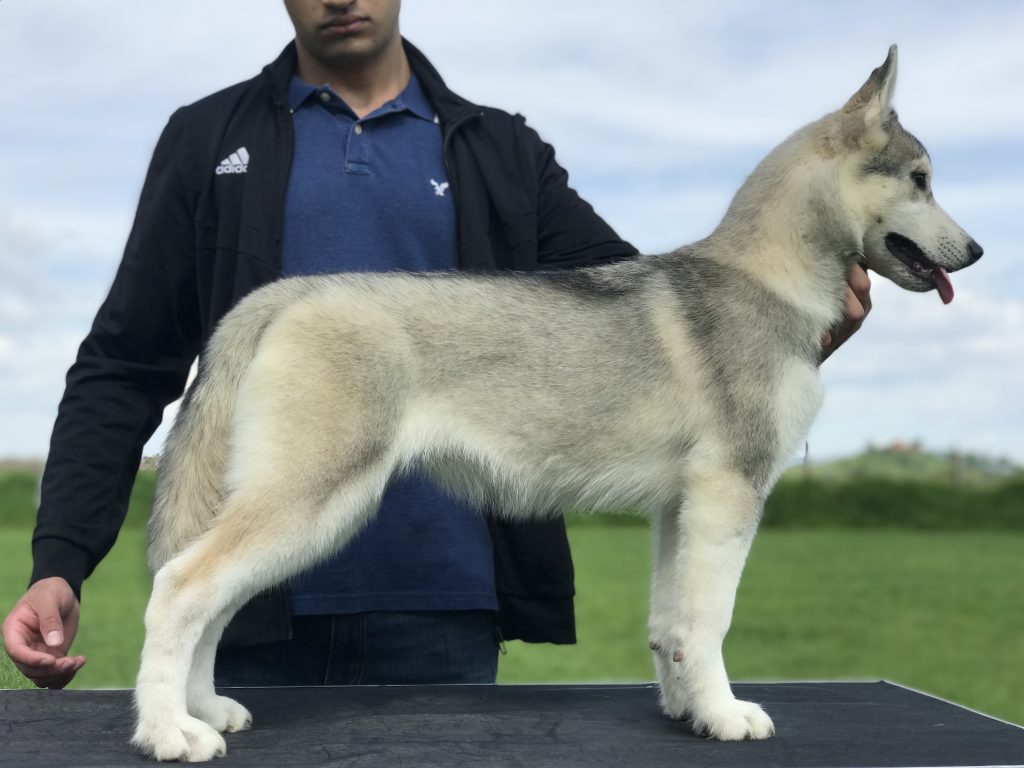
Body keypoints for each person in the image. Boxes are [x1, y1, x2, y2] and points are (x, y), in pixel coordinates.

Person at [2, 0, 871, 690]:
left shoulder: (500, 148)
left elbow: (646, 322)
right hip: (259, 606)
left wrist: (785, 332)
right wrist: (61, 562)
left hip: (446, 610)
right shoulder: (208, 139)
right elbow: (125, 361)